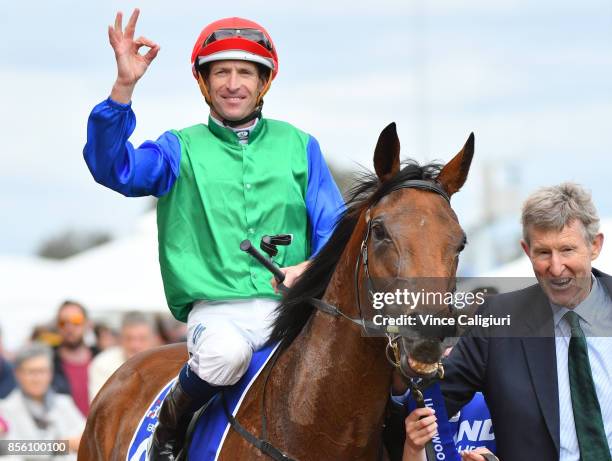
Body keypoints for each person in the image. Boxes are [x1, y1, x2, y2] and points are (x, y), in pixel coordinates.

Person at [83, 9, 344, 459]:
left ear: (264, 83)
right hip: (219, 315)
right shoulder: (177, 148)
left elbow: (335, 228)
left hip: (294, 310)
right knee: (224, 356)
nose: (233, 83)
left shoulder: (301, 145)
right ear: (204, 83)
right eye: (220, 71)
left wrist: (309, 266)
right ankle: (169, 432)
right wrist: (122, 89)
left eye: (245, 72)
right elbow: (114, 168)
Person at [440, 182, 612, 460]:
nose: (556, 268)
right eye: (543, 252)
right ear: (526, 249)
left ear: (595, 245)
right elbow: (426, 408)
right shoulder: (495, 321)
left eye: (567, 250)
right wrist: (405, 377)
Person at [0, 343, 85, 460]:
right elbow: (7, 448)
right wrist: (61, 446)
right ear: (18, 374)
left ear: (51, 373)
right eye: (31, 372)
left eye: (43, 371)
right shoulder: (5, 409)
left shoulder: (64, 403)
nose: (37, 378)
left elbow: (84, 439)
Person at [88, 311, 159, 402]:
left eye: (142, 339)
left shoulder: (164, 364)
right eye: (129, 338)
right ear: (120, 339)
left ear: (154, 340)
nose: (135, 345)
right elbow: (100, 406)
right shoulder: (102, 364)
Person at [51, 301, 98, 417]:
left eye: (76, 321)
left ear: (88, 324)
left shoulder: (103, 359)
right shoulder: (47, 362)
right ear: (57, 326)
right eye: (63, 322)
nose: (69, 327)